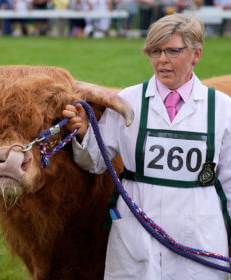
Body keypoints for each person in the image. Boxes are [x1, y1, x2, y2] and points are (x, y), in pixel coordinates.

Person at [62, 13, 231, 280]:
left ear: (196, 54)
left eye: (173, 51)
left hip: (199, 239)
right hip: (136, 237)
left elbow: (230, 182)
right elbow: (93, 161)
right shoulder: (127, 100)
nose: (162, 60)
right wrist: (84, 135)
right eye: (155, 51)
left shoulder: (222, 108)